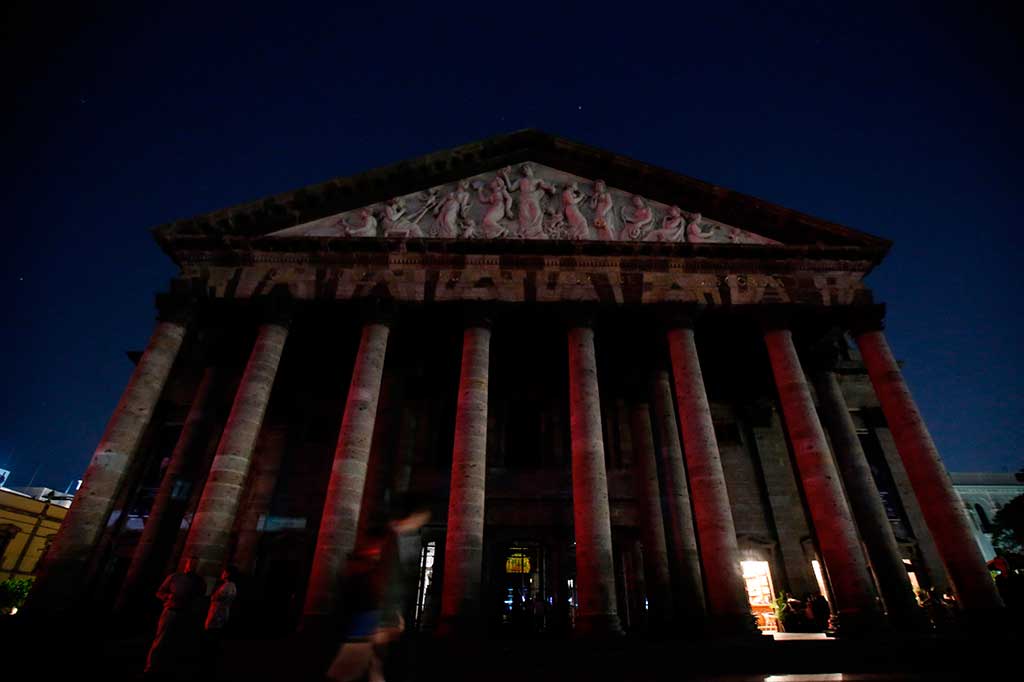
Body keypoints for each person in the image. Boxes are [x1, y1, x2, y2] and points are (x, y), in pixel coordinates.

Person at [144, 556, 208, 678]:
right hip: (171, 611)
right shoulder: (175, 577)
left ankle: (170, 668)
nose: (192, 566)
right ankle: (151, 667)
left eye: (195, 564)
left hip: (187, 614)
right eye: (191, 563)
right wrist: (167, 597)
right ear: (186, 564)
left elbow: (201, 596)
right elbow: (160, 592)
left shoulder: (199, 581)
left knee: (179, 641)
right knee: (161, 640)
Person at [202, 565, 240, 674]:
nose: (222, 574)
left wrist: (214, 595)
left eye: (224, 572)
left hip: (217, 615)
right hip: (220, 615)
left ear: (227, 574)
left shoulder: (227, 586)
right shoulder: (231, 586)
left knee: (211, 639)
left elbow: (216, 598)